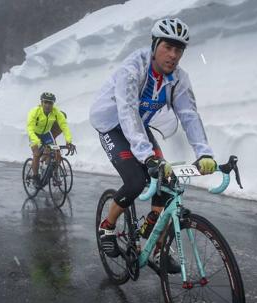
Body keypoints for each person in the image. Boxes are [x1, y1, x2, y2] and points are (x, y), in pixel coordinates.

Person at [89, 18, 218, 273]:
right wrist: (147, 156)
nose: (173, 55)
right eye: (168, 47)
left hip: (138, 124)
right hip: (111, 124)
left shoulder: (179, 79)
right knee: (137, 181)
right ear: (154, 44)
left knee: (166, 178)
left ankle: (154, 238)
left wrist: (204, 153)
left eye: (178, 50)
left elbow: (190, 116)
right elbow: (126, 111)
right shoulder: (133, 68)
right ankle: (107, 225)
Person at [26, 92, 75, 184]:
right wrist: (36, 142)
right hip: (34, 134)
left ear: (53, 104)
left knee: (55, 150)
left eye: (50, 103)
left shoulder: (56, 112)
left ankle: (49, 169)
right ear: (41, 102)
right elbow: (30, 128)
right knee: (36, 154)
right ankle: (35, 176)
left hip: (46, 134)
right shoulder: (34, 111)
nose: (48, 105)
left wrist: (68, 141)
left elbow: (64, 126)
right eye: (46, 102)